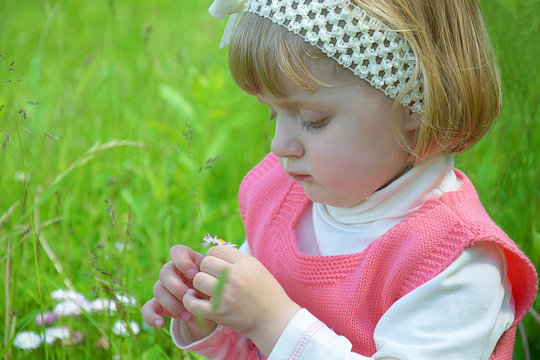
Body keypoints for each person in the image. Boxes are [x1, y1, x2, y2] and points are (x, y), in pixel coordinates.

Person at [141, 0, 538, 358]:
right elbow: (258, 348)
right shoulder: (281, 198)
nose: (280, 144)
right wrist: (209, 315)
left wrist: (273, 323)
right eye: (271, 113)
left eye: (314, 121)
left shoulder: (454, 263)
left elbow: (276, 334)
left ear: (416, 103)